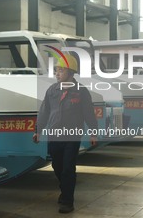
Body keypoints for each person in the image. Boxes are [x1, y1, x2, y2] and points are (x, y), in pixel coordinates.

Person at [33, 54, 98, 214]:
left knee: (68, 168)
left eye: (60, 70)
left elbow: (89, 112)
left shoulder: (81, 91)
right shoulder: (52, 90)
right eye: (56, 70)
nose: (57, 73)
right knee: (57, 165)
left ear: (70, 72)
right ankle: (65, 189)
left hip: (72, 135)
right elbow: (44, 111)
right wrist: (38, 130)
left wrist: (93, 132)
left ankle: (67, 201)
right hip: (54, 134)